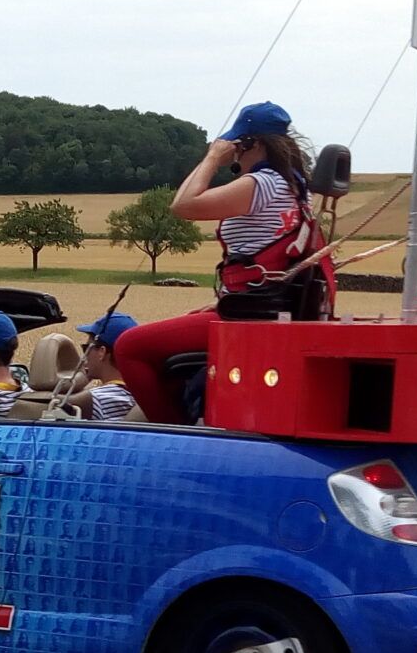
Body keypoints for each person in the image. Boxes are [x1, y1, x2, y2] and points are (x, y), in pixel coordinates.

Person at [114, 102, 332, 423]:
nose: (234, 152)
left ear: (253, 144)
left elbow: (183, 205)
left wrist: (213, 158)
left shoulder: (262, 184)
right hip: (261, 305)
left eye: (237, 145)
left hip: (248, 317)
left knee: (130, 347)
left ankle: (170, 428)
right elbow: (274, 257)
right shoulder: (295, 187)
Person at [72, 312, 138, 421]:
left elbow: (52, 405)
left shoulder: (103, 398)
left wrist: (78, 380)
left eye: (86, 348)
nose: (84, 355)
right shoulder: (139, 392)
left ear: (101, 352)